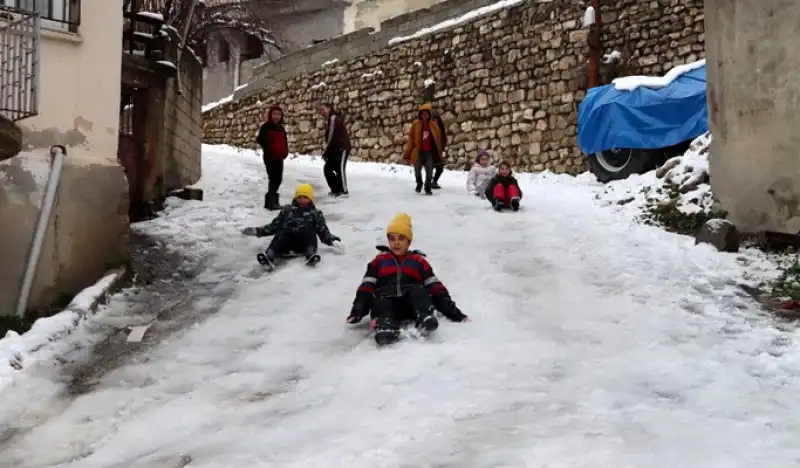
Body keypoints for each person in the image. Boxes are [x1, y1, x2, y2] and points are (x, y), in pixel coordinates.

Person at [345, 213, 469, 346]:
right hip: (388, 303)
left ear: (409, 241)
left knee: (419, 291)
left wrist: (456, 314)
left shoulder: (418, 261)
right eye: (392, 239)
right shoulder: (379, 261)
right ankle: (385, 325)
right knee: (380, 298)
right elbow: (366, 287)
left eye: (401, 238)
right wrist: (358, 311)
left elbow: (436, 288)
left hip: (411, 306)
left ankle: (424, 316)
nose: (396, 243)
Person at [241, 183, 341, 271]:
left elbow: (322, 230)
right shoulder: (287, 210)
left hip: (303, 245)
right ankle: (269, 256)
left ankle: (311, 255)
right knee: (281, 232)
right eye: (299, 197)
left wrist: (331, 240)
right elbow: (275, 225)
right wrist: (259, 231)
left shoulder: (315, 214)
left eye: (305, 197)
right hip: (286, 244)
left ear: (310, 199)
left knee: (310, 232)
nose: (301, 200)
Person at [403, 103, 443, 195]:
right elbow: (411, 138)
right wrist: (408, 152)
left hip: (429, 153)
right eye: (423, 113)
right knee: (417, 171)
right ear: (420, 114)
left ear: (429, 114)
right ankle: (419, 183)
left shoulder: (433, 125)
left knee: (429, 172)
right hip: (418, 152)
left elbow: (437, 140)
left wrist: (438, 153)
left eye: (426, 113)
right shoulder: (415, 124)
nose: (425, 115)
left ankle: (428, 188)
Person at [256, 105, 289, 211]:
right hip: (270, 157)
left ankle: (274, 200)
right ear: (270, 114)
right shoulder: (266, 127)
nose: (276, 116)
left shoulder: (281, 128)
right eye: (274, 114)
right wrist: (269, 146)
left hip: (279, 157)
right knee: (273, 178)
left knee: (278, 179)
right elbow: (260, 139)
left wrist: (285, 152)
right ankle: (270, 202)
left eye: (278, 114)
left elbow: (285, 142)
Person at [319, 103, 352, 198]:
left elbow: (331, 136)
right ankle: (336, 190)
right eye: (320, 111)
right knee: (327, 168)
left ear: (329, 108)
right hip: (335, 149)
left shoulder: (333, 118)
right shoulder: (329, 120)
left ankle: (344, 191)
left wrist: (326, 151)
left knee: (340, 169)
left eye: (323, 109)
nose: (321, 112)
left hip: (342, 147)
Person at [430, 110, 448, 190]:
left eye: (436, 119)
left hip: (438, 152)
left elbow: (444, 139)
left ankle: (434, 181)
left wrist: (442, 147)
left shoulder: (440, 130)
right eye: (433, 119)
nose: (435, 121)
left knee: (440, 168)